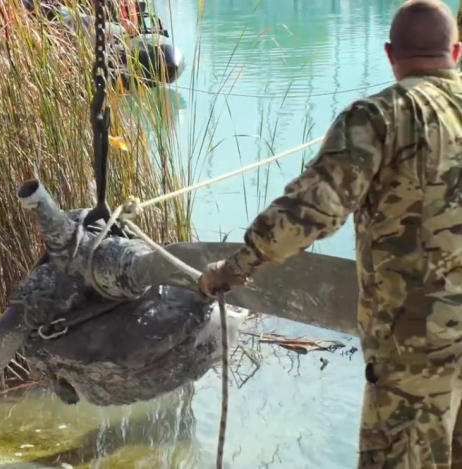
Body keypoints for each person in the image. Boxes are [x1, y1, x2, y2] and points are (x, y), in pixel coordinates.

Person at [197, 0, 462, 467]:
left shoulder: (378, 117)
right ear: (456, 53)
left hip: (416, 351)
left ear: (389, 54)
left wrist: (233, 270)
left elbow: (307, 214)